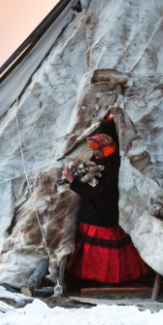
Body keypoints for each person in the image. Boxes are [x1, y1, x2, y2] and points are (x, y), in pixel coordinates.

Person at [61, 113, 149, 289]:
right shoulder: (108, 160)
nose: (94, 153)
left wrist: (73, 182)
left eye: (97, 150)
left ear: (107, 148)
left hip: (99, 216)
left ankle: (102, 281)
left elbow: (95, 192)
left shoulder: (109, 167)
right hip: (99, 214)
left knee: (99, 257)